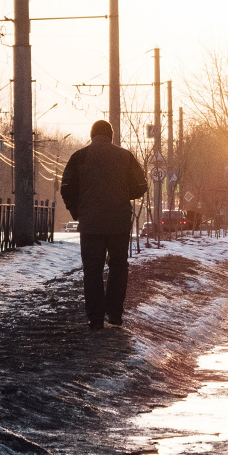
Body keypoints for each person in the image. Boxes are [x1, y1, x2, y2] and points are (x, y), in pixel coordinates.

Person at [60, 120, 147, 330]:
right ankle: (115, 314)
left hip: (90, 225)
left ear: (91, 136)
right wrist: (126, 195)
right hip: (118, 222)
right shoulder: (126, 156)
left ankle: (95, 318)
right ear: (112, 136)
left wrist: (78, 212)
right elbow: (141, 185)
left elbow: (66, 188)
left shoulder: (78, 157)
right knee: (118, 267)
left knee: (92, 270)